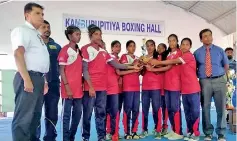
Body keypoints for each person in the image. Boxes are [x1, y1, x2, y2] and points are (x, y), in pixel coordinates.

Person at [81, 24, 140, 141]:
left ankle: (101, 137)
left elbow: (117, 65)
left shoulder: (104, 51)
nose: (99, 36)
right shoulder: (85, 48)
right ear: (90, 35)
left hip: (103, 89)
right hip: (90, 88)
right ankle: (85, 137)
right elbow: (85, 69)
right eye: (96, 34)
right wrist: (91, 87)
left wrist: (133, 67)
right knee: (87, 115)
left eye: (100, 34)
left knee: (101, 115)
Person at [149, 38, 201, 141]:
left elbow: (171, 63)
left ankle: (192, 133)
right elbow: (169, 66)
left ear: (190, 46)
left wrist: (156, 65)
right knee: (183, 111)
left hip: (191, 88)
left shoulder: (187, 55)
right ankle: (182, 131)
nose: (185, 46)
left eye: (187, 44)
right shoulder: (171, 54)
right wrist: (154, 67)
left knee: (193, 111)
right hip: (182, 88)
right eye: (183, 44)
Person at [10, 3, 49, 141]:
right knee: (24, 118)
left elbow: (38, 60)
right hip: (28, 76)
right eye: (37, 13)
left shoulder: (36, 35)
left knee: (35, 116)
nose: (41, 17)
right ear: (27, 15)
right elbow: (18, 54)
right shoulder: (22, 30)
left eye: (42, 14)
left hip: (37, 78)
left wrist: (43, 81)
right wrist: (27, 79)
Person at [194, 29, 229, 141]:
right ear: (201, 39)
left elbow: (226, 65)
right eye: (205, 36)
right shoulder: (197, 52)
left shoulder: (220, 50)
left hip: (220, 80)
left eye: (209, 35)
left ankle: (221, 133)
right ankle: (208, 132)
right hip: (204, 81)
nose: (208, 38)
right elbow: (194, 68)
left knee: (221, 108)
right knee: (205, 107)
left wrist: (224, 78)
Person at [147, 34, 183, 140]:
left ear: (177, 41)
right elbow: (164, 66)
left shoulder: (180, 53)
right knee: (170, 108)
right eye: (170, 41)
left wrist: (153, 69)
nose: (171, 43)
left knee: (175, 108)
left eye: (173, 40)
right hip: (167, 85)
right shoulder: (169, 54)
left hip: (175, 85)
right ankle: (173, 130)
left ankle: (179, 132)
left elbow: (168, 66)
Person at [36, 20, 61, 141]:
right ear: (38, 29)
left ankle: (50, 138)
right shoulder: (34, 44)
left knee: (52, 112)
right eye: (43, 27)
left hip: (54, 84)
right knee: (35, 113)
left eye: (48, 27)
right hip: (37, 83)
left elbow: (62, 66)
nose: (47, 29)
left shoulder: (56, 46)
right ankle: (34, 137)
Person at [57, 26, 83, 141]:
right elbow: (61, 70)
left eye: (79, 34)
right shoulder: (64, 50)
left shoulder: (79, 51)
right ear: (70, 36)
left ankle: (71, 136)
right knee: (66, 116)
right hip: (68, 89)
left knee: (77, 115)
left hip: (78, 89)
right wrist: (67, 87)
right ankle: (66, 139)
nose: (79, 36)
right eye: (77, 34)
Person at [140, 40, 163, 139]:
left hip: (156, 87)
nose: (149, 47)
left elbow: (161, 71)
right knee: (144, 110)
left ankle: (158, 130)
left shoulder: (159, 57)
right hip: (145, 87)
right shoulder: (143, 58)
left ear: (154, 46)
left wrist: (151, 64)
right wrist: (142, 65)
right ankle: (144, 130)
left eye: (151, 45)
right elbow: (142, 73)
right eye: (147, 46)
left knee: (156, 109)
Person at [119, 40, 141, 140]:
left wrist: (142, 66)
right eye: (131, 46)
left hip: (136, 87)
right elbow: (122, 69)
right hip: (127, 87)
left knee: (136, 110)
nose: (133, 48)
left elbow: (139, 72)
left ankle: (134, 131)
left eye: (134, 46)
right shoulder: (124, 56)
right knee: (127, 109)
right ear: (127, 48)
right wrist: (134, 64)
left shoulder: (138, 58)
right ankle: (127, 132)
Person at [105, 40, 123, 141]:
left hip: (118, 89)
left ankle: (114, 132)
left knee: (116, 112)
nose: (118, 48)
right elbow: (119, 71)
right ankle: (109, 132)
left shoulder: (118, 58)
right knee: (110, 112)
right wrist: (134, 67)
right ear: (112, 48)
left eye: (119, 46)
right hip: (109, 89)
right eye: (116, 46)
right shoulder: (110, 57)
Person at [156, 43, 169, 136]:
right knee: (159, 107)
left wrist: (155, 66)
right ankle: (158, 126)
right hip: (157, 86)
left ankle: (165, 126)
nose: (160, 49)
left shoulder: (167, 58)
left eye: (162, 47)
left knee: (165, 107)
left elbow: (164, 68)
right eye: (158, 47)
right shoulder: (155, 57)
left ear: (165, 49)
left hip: (166, 85)